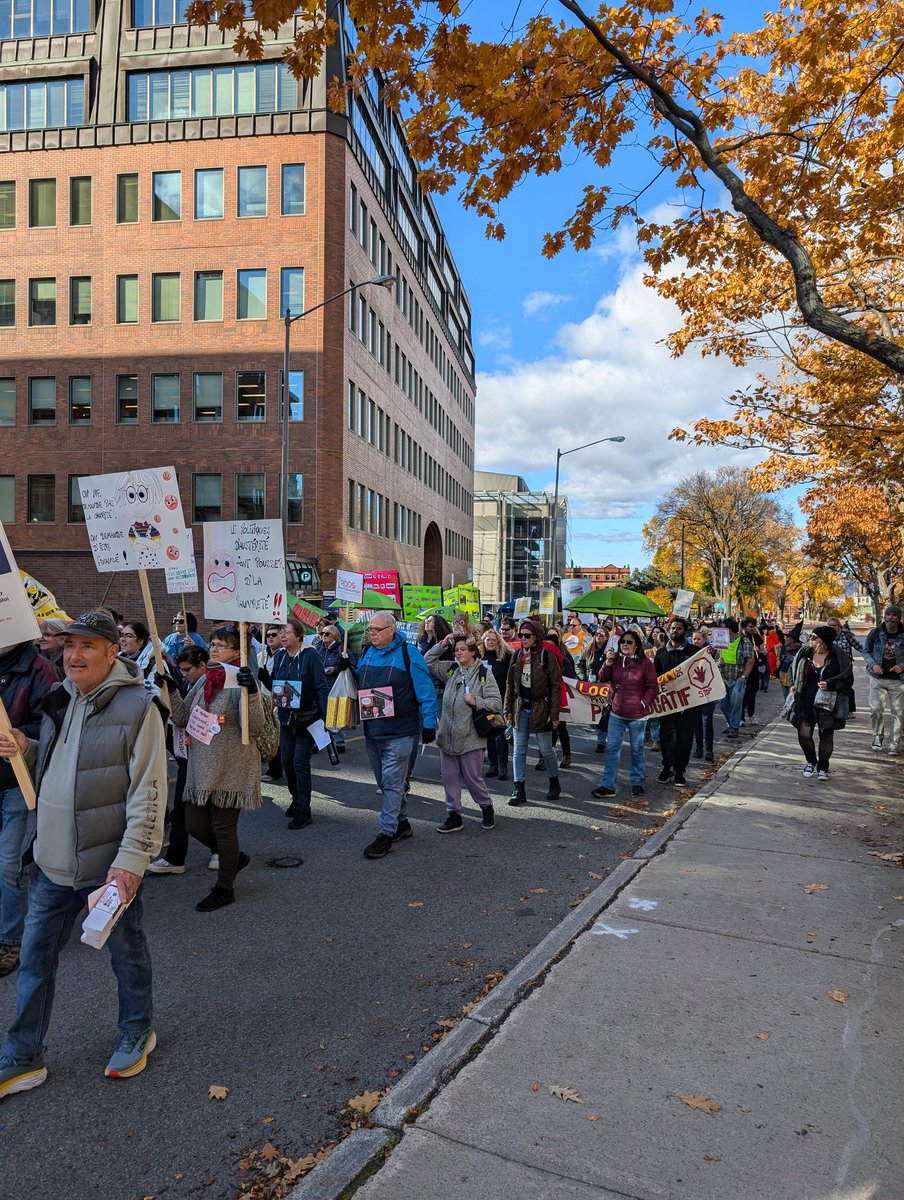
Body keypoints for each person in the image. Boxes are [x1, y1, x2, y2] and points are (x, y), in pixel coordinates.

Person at [0, 611, 168, 1098]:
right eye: (69, 645)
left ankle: (138, 1030)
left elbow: (149, 793)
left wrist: (130, 863)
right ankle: (23, 1054)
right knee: (33, 960)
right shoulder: (61, 699)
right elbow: (52, 764)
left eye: (87, 647)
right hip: (52, 862)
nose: (73, 655)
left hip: (106, 867)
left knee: (126, 955)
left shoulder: (140, 708)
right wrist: (23, 747)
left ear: (112, 652)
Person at [166, 626, 264, 910]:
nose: (214, 648)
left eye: (221, 644)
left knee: (223, 828)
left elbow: (254, 726)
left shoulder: (239, 679)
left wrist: (253, 692)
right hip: (200, 767)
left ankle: (224, 888)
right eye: (212, 643)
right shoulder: (205, 679)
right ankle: (232, 858)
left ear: (237, 651)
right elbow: (182, 715)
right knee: (194, 822)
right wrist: (170, 688)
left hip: (230, 765)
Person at [349, 614, 437, 859]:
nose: (372, 633)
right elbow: (363, 680)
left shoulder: (409, 654)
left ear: (391, 630)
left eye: (377, 629)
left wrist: (429, 722)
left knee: (391, 781)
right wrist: (350, 668)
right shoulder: (368, 653)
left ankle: (386, 833)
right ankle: (403, 823)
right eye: (370, 629)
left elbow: (426, 690)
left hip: (400, 732)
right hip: (373, 731)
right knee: (385, 782)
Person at [0, 639, 61, 978]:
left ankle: (12, 939)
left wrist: (21, 737)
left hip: (16, 781)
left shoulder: (41, 669)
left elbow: (55, 723)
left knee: (9, 864)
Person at [425, 633, 502, 832]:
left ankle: (486, 807)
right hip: (447, 737)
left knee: (472, 778)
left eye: (462, 650)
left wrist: (476, 701)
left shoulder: (484, 673)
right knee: (449, 777)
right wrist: (443, 644)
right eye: (456, 650)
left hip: (471, 738)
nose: (458, 653)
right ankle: (454, 815)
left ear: (473, 652)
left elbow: (496, 703)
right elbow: (428, 662)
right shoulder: (451, 669)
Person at [147, 647, 209, 877]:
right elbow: (181, 716)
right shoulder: (192, 684)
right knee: (182, 809)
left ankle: (222, 851)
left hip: (209, 757)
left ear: (202, 665)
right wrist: (171, 690)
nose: (184, 674)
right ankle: (175, 857)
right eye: (181, 670)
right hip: (187, 754)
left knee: (210, 810)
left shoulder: (216, 683)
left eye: (187, 670)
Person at [264, 618, 329, 830]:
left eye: (286, 632)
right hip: (286, 719)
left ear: (299, 635)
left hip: (307, 718)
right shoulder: (281, 657)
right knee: (287, 762)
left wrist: (325, 716)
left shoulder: (311, 655)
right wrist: (265, 679)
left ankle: (304, 809)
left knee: (300, 763)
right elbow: (277, 688)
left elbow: (321, 686)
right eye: (280, 632)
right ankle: (296, 797)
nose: (282, 636)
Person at [590, 629, 659, 799]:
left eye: (629, 642)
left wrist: (642, 703)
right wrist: (607, 663)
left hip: (638, 715)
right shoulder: (614, 661)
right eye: (622, 642)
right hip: (617, 713)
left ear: (636, 645)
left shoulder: (645, 664)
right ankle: (608, 785)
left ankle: (637, 782)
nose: (625, 645)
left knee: (636, 749)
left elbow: (653, 687)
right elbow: (602, 678)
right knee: (612, 749)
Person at [504, 619, 562, 807]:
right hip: (521, 707)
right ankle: (518, 789)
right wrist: (508, 710)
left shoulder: (547, 656)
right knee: (518, 751)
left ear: (536, 637)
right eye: (521, 635)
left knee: (546, 749)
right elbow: (510, 685)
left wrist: (554, 714)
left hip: (541, 708)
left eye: (527, 636)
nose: (523, 638)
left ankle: (554, 782)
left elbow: (555, 686)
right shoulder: (517, 655)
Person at [788, 625, 853, 780]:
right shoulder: (804, 654)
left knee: (826, 736)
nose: (810, 639)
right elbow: (792, 669)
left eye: (814, 637)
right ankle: (811, 761)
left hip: (828, 703)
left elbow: (848, 680)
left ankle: (823, 767)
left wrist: (830, 684)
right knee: (804, 734)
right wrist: (793, 684)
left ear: (823, 641)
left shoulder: (838, 657)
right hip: (805, 701)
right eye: (811, 636)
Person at [654, 617, 698, 786]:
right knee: (667, 737)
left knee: (685, 738)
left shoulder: (694, 652)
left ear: (685, 631)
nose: (675, 631)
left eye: (679, 628)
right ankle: (667, 767)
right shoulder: (661, 653)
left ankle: (680, 771)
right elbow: (655, 678)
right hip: (668, 703)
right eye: (673, 628)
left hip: (689, 702)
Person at [862, 604, 904, 754]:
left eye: (894, 616)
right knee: (876, 710)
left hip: (898, 680)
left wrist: (903, 666)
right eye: (888, 615)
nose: (890, 617)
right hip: (877, 678)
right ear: (885, 617)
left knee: (898, 713)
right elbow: (866, 651)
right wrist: (873, 665)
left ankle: (894, 744)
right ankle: (877, 737)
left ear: (899, 619)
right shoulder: (875, 633)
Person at [313, 623, 355, 752]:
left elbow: (352, 665)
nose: (323, 636)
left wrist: (337, 668)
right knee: (319, 714)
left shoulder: (341, 650)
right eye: (322, 633)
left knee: (336, 713)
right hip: (320, 686)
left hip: (335, 685)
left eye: (327, 633)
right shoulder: (317, 648)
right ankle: (318, 742)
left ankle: (340, 741)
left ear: (335, 636)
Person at [479, 627, 510, 780]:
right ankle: (493, 765)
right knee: (490, 734)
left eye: (493, 639)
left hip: (502, 700)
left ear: (498, 642)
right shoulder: (479, 657)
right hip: (485, 701)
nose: (490, 642)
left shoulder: (505, 657)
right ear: (483, 642)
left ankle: (503, 765)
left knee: (500, 735)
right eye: (487, 640)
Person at [718, 617, 756, 738]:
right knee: (723, 704)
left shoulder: (744, 642)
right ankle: (731, 724)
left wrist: (743, 676)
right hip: (723, 678)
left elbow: (750, 660)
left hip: (737, 678)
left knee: (736, 704)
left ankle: (734, 727)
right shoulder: (720, 642)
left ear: (730, 630)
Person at [256, 625, 285, 778]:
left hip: (279, 701)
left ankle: (276, 769)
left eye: (274, 634)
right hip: (264, 701)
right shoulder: (261, 655)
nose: (271, 637)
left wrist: (267, 679)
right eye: (268, 635)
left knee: (277, 736)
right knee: (268, 735)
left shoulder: (285, 655)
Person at [690, 627, 719, 762]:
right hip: (695, 691)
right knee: (696, 721)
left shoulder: (711, 652)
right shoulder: (689, 653)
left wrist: (717, 661)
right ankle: (699, 748)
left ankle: (709, 750)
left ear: (704, 640)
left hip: (708, 691)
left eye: (699, 639)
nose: (696, 641)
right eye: (694, 639)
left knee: (707, 720)